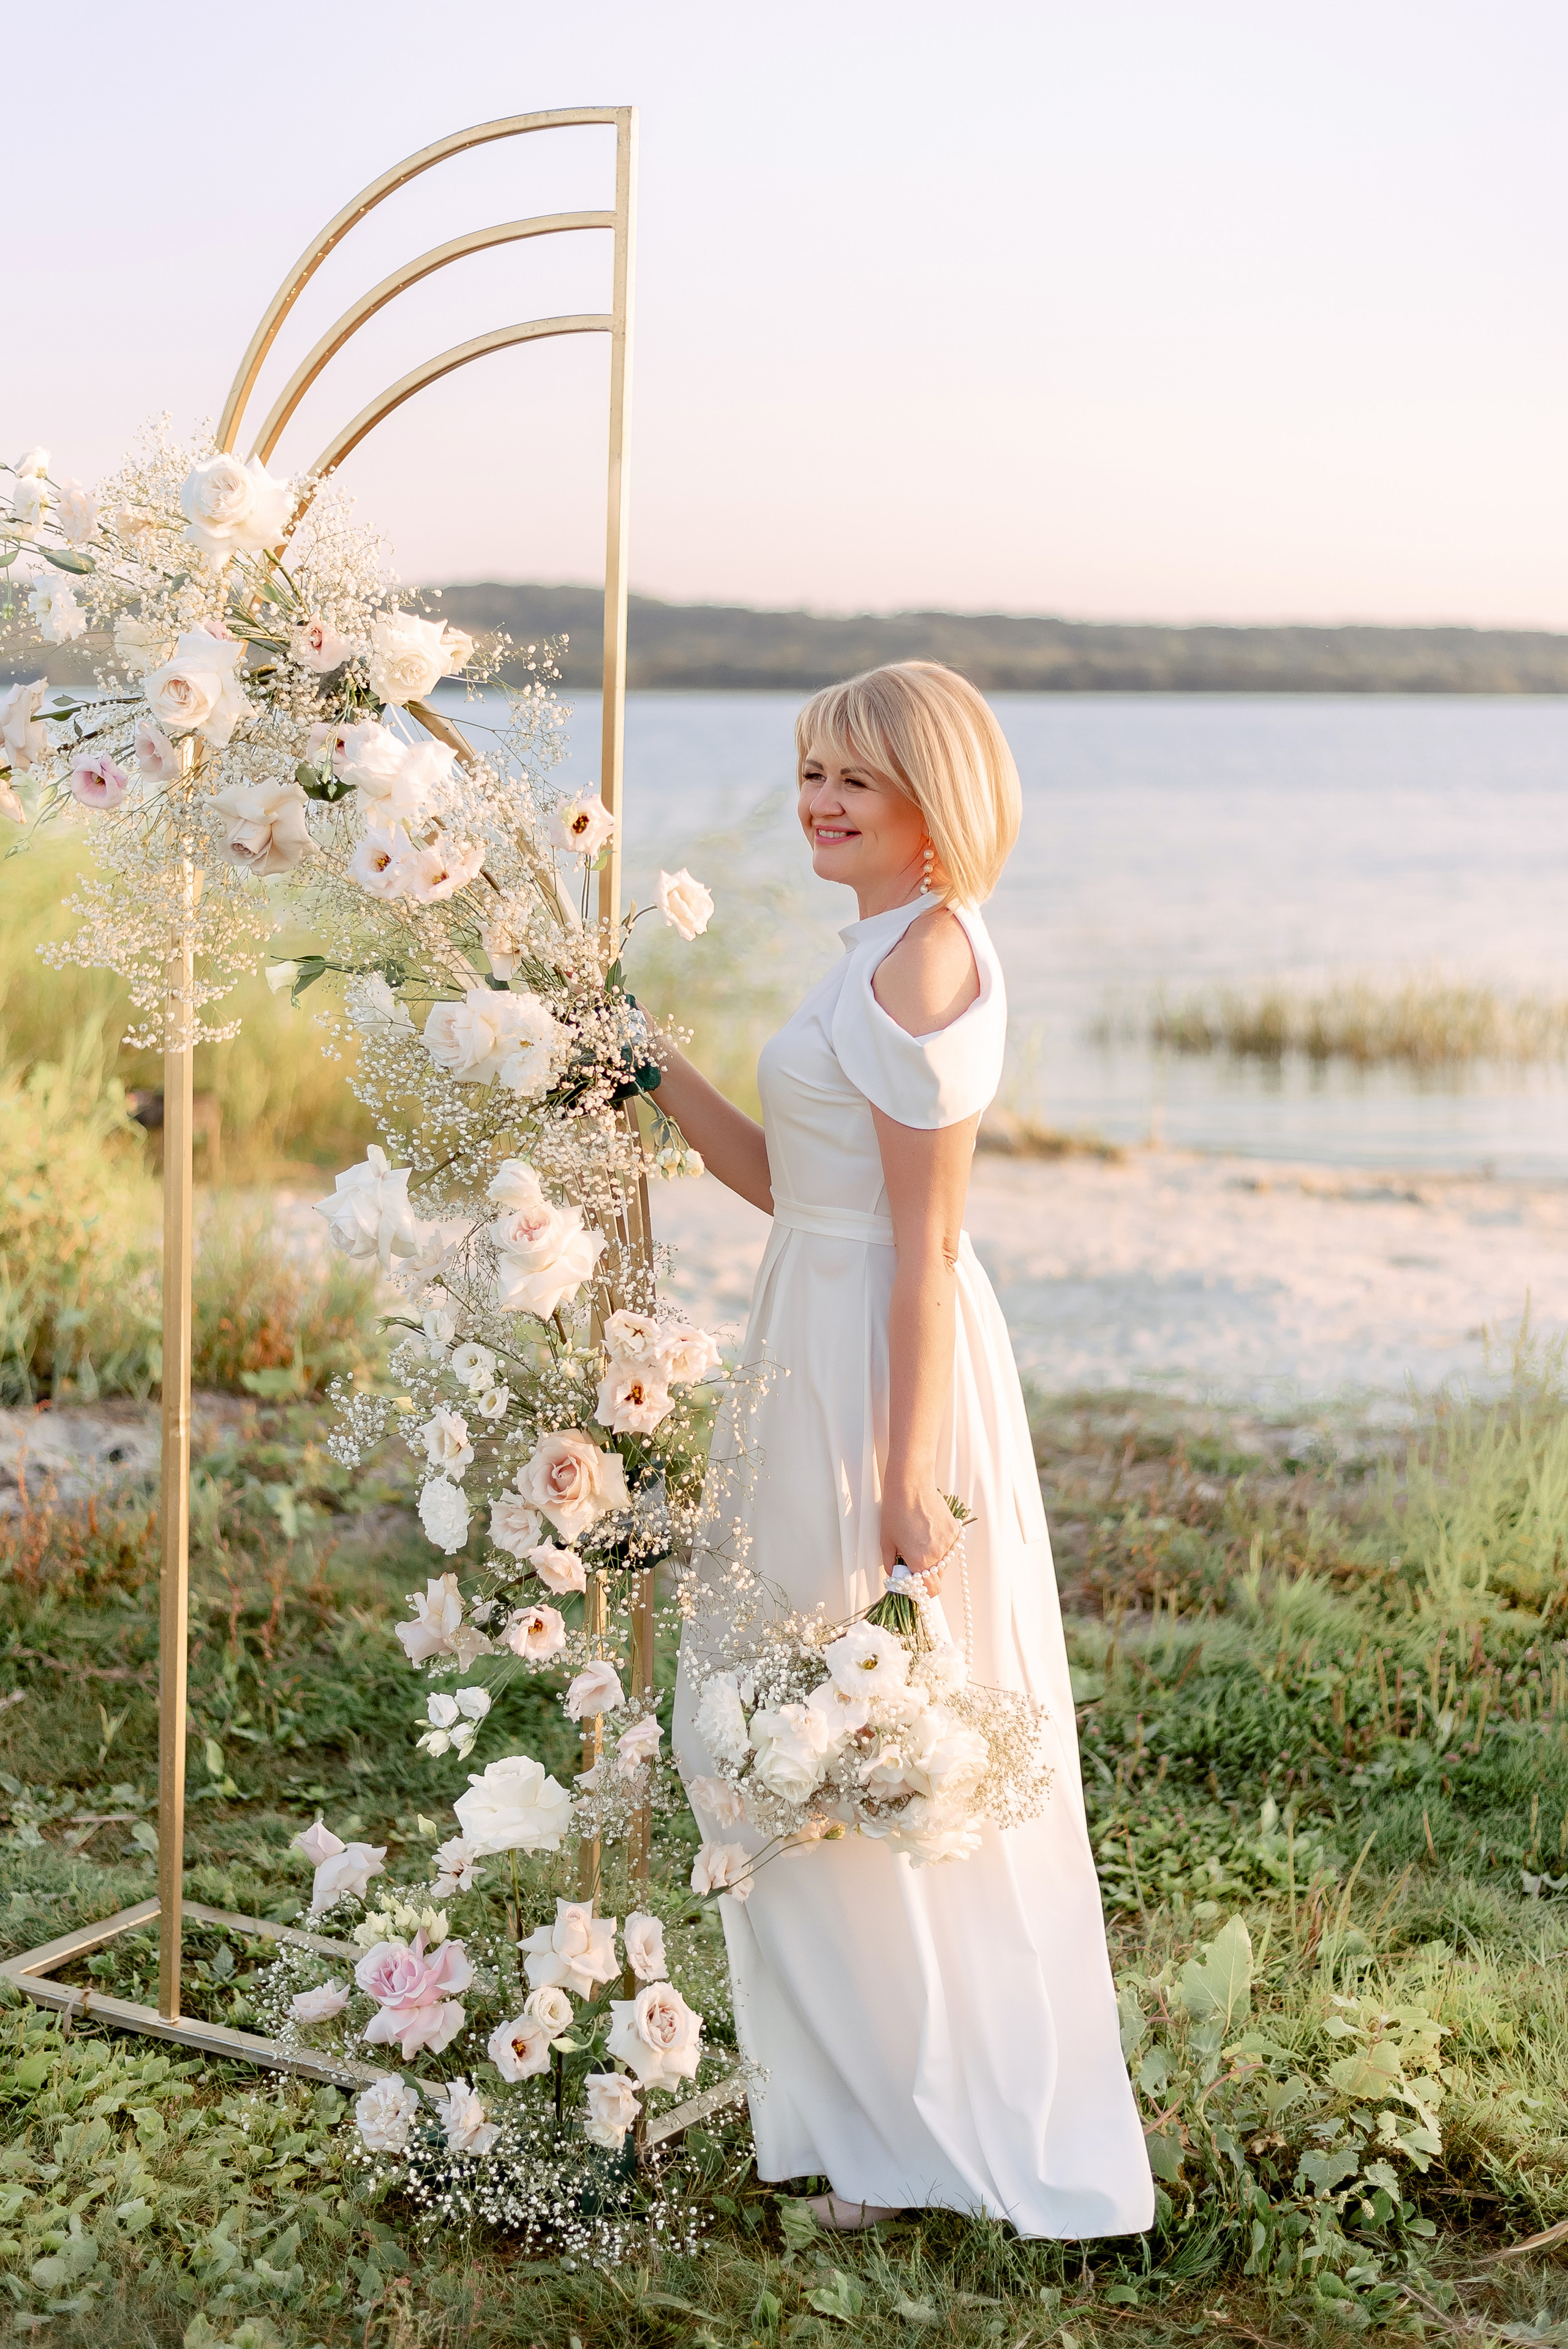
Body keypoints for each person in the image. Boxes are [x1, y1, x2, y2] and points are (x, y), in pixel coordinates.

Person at [659, 662, 1153, 2239]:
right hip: (804, 1334)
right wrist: (646, 1065)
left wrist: (901, 1473)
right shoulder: (868, 947)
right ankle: (866, 2119)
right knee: (783, 1725)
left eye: (850, 781)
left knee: (860, 1725)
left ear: (929, 801)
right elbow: (789, 1186)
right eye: (807, 770)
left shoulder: (930, 960)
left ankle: (928, 2140)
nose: (814, 800)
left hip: (879, 1371)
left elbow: (923, 1246)